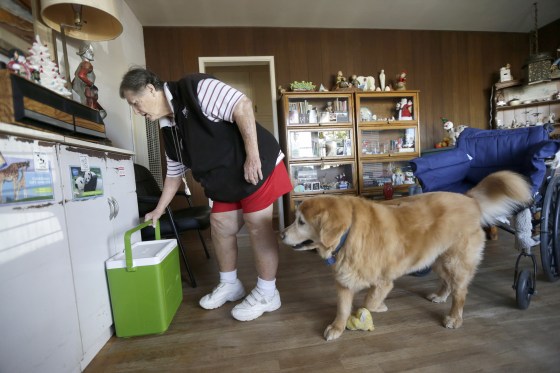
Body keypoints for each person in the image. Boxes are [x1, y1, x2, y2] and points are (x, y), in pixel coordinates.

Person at [119, 67, 293, 321]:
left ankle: (268, 292)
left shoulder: (194, 87)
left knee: (258, 225)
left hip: (257, 166)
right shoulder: (169, 127)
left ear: (149, 89)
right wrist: (159, 209)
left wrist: (253, 156)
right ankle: (230, 284)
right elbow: (174, 172)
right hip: (226, 179)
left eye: (136, 103)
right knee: (220, 224)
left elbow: (242, 106)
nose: (136, 111)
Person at [73, 43, 106, 118]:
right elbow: (81, 75)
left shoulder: (81, 64)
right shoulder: (87, 64)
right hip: (86, 93)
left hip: (80, 93)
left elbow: (75, 76)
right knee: (100, 114)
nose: (92, 53)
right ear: (84, 53)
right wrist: (91, 84)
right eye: (90, 51)